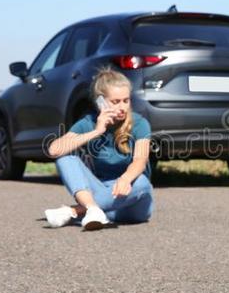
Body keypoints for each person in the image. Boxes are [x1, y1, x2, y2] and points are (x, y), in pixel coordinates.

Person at [44, 67, 154, 230]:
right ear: (100, 102)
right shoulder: (88, 123)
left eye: (126, 100)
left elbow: (140, 160)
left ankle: (76, 211)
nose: (122, 107)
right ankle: (94, 210)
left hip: (133, 201)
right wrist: (96, 131)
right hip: (104, 192)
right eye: (115, 102)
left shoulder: (140, 123)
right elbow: (54, 150)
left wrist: (125, 179)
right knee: (65, 156)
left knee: (143, 182)